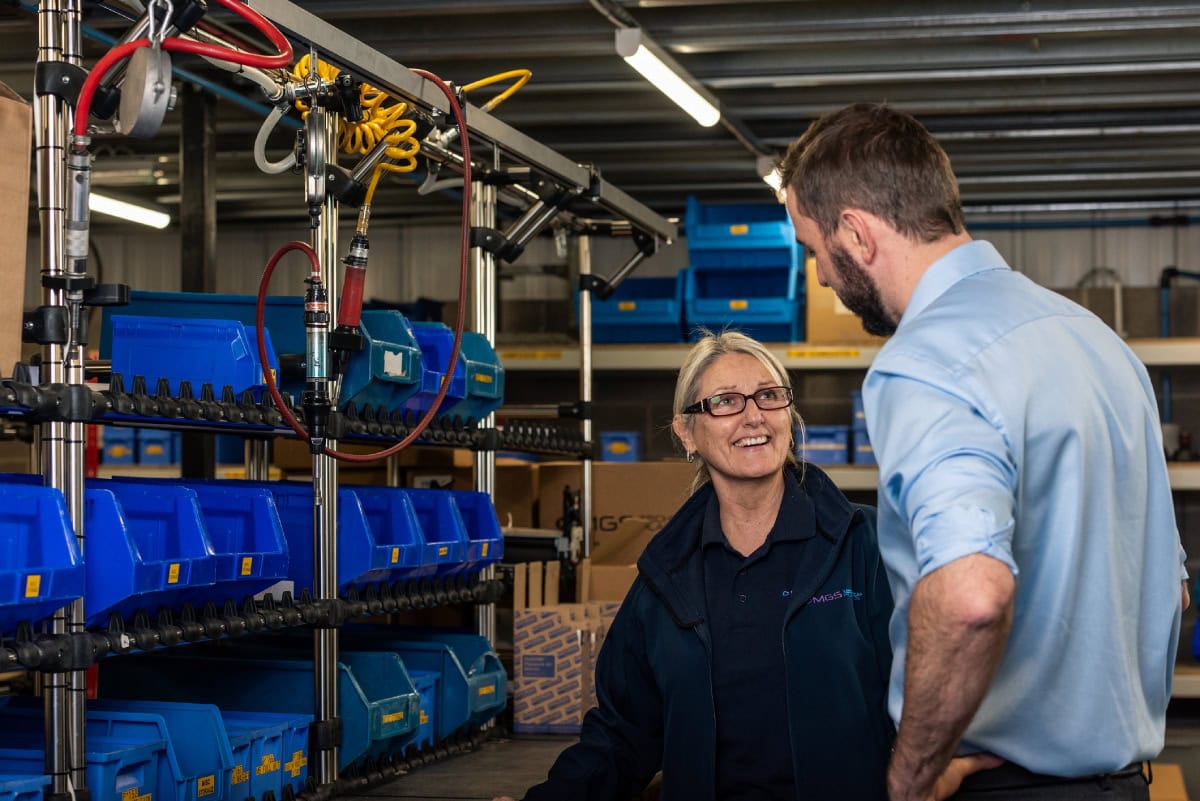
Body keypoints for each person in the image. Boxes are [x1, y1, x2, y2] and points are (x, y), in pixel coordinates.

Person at [780, 102, 1189, 801]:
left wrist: (910, 776)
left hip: (1005, 787)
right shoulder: (1099, 343)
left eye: (815, 248)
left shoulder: (926, 361)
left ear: (856, 232)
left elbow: (972, 596)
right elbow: (1169, 586)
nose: (819, 275)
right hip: (1122, 782)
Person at [497, 330, 895, 801]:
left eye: (768, 396)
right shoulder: (666, 577)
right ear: (687, 432)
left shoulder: (864, 546)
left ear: (788, 414)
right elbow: (623, 736)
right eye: (725, 402)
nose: (753, 416)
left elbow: (928, 699)